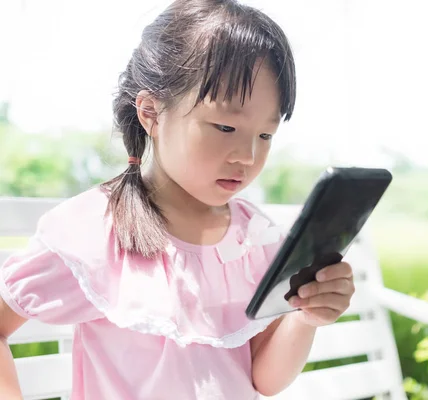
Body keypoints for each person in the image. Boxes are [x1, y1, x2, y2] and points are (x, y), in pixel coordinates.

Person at [0, 1, 356, 398]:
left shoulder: (253, 238)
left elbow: (263, 380)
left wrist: (305, 317)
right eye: (225, 126)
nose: (247, 156)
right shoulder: (96, 229)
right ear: (151, 113)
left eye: (265, 135)